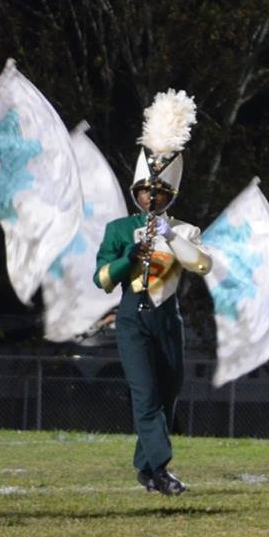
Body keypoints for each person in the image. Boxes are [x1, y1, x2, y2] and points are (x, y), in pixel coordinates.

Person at [93, 89, 210, 496]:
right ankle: (160, 469)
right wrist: (128, 257)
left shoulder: (184, 230)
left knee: (167, 394)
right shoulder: (119, 229)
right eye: (146, 191)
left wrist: (170, 236)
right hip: (132, 318)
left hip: (167, 318)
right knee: (144, 394)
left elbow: (201, 265)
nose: (151, 197)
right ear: (136, 192)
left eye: (159, 192)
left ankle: (145, 468)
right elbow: (102, 279)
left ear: (169, 195)